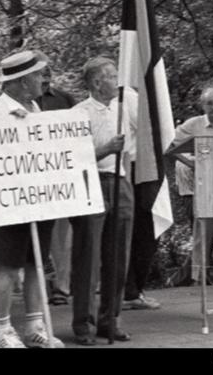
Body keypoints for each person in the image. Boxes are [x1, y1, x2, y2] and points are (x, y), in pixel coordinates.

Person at [0, 51, 63, 348]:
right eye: (39, 74)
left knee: (35, 263)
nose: (44, 79)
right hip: (9, 203)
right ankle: (2, 332)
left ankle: (34, 326)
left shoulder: (36, 109)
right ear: (22, 80)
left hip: (38, 199)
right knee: (7, 266)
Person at [70, 57, 136, 345]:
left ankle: (110, 319)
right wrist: (106, 148)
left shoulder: (123, 108)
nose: (117, 81)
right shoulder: (78, 113)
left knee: (118, 257)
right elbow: (74, 157)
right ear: (97, 83)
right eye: (111, 76)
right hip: (91, 184)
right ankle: (83, 324)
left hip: (119, 182)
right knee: (88, 256)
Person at [168, 87, 213, 284]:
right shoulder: (194, 125)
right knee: (203, 230)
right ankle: (198, 275)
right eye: (209, 103)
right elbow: (169, 145)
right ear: (202, 106)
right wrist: (191, 163)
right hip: (206, 184)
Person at [33, 51, 76, 307]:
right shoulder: (19, 103)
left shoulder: (65, 99)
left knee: (61, 237)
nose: (46, 75)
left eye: (48, 70)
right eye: (41, 71)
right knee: (34, 237)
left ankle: (62, 288)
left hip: (59, 179)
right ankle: (37, 288)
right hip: (29, 180)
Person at [122, 87, 162, 310]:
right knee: (145, 230)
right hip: (139, 168)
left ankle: (133, 290)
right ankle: (131, 291)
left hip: (140, 167)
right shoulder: (130, 97)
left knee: (142, 231)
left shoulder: (132, 96)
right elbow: (150, 133)